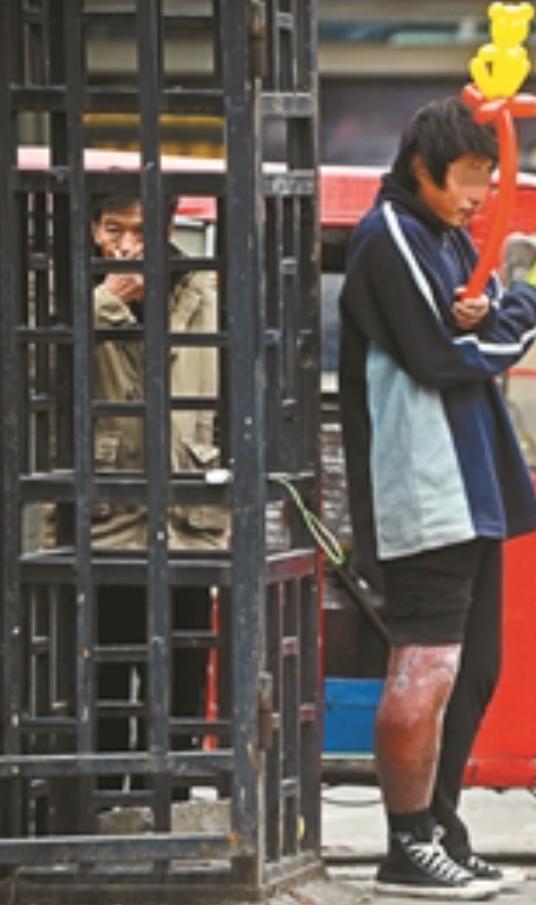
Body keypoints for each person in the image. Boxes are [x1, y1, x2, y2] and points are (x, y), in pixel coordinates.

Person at [338, 96, 536, 899]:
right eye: (466, 179)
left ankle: (439, 830)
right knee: (426, 666)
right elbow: (444, 354)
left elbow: (473, 320)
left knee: (475, 669)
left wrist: (495, 307)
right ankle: (405, 843)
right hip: (424, 480)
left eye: (487, 182)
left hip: (472, 476)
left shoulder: (445, 234)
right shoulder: (388, 235)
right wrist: (523, 308)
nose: (478, 197)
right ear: (421, 169)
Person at [88, 192, 226, 786]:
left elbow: (234, 392)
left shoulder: (200, 288)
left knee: (185, 665)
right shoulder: (74, 290)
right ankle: (100, 798)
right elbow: (41, 371)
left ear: (167, 230)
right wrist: (104, 305)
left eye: (139, 231)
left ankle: (169, 793)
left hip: (188, 507)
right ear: (92, 231)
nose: (124, 244)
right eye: (112, 229)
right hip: (109, 508)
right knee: (107, 665)